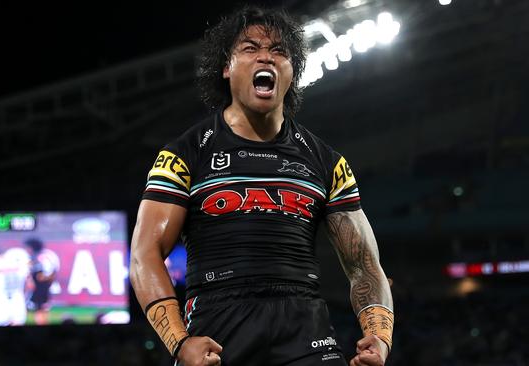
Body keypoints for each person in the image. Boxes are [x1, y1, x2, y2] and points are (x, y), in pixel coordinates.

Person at [130, 6, 394, 366]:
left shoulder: (327, 162)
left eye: (279, 51)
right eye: (250, 48)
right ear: (226, 68)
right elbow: (144, 255)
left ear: (292, 72)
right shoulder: (185, 155)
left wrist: (380, 337)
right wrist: (179, 342)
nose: (265, 56)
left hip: (306, 336)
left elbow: (364, 265)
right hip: (218, 338)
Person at [24, 237, 60, 325]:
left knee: (38, 311)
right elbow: (53, 273)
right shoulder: (48, 257)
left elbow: (30, 273)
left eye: (28, 247)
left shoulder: (34, 258)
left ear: (32, 247)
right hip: (45, 288)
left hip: (37, 289)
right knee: (43, 311)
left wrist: (30, 281)